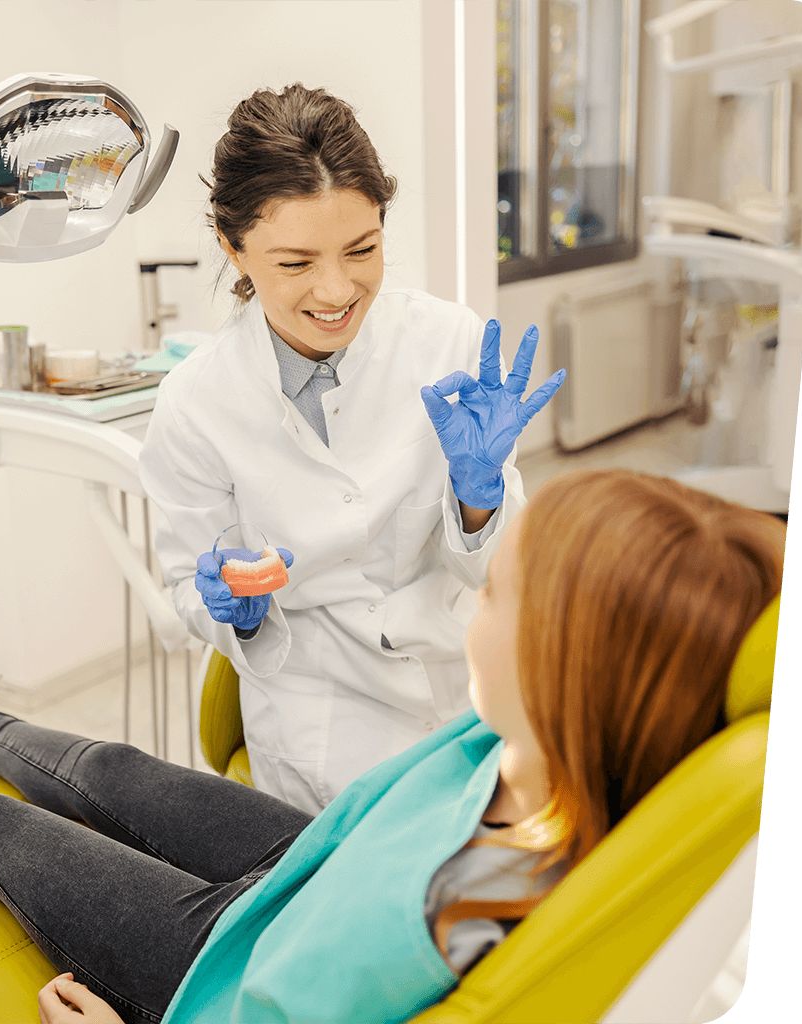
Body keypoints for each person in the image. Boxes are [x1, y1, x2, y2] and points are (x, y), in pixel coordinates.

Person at [0, 469, 785, 1024]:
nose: (470, 610)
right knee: (114, 769)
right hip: (329, 864)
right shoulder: (549, 748)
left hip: (238, 959)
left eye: (496, 598)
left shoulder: (454, 914)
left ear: (565, 672)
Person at [138, 83, 565, 813]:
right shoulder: (195, 403)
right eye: (296, 264)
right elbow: (189, 586)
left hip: (465, 694)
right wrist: (231, 608)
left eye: (362, 250)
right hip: (319, 727)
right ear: (231, 247)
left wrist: (479, 496)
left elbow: (502, 574)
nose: (337, 290)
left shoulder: (449, 345)